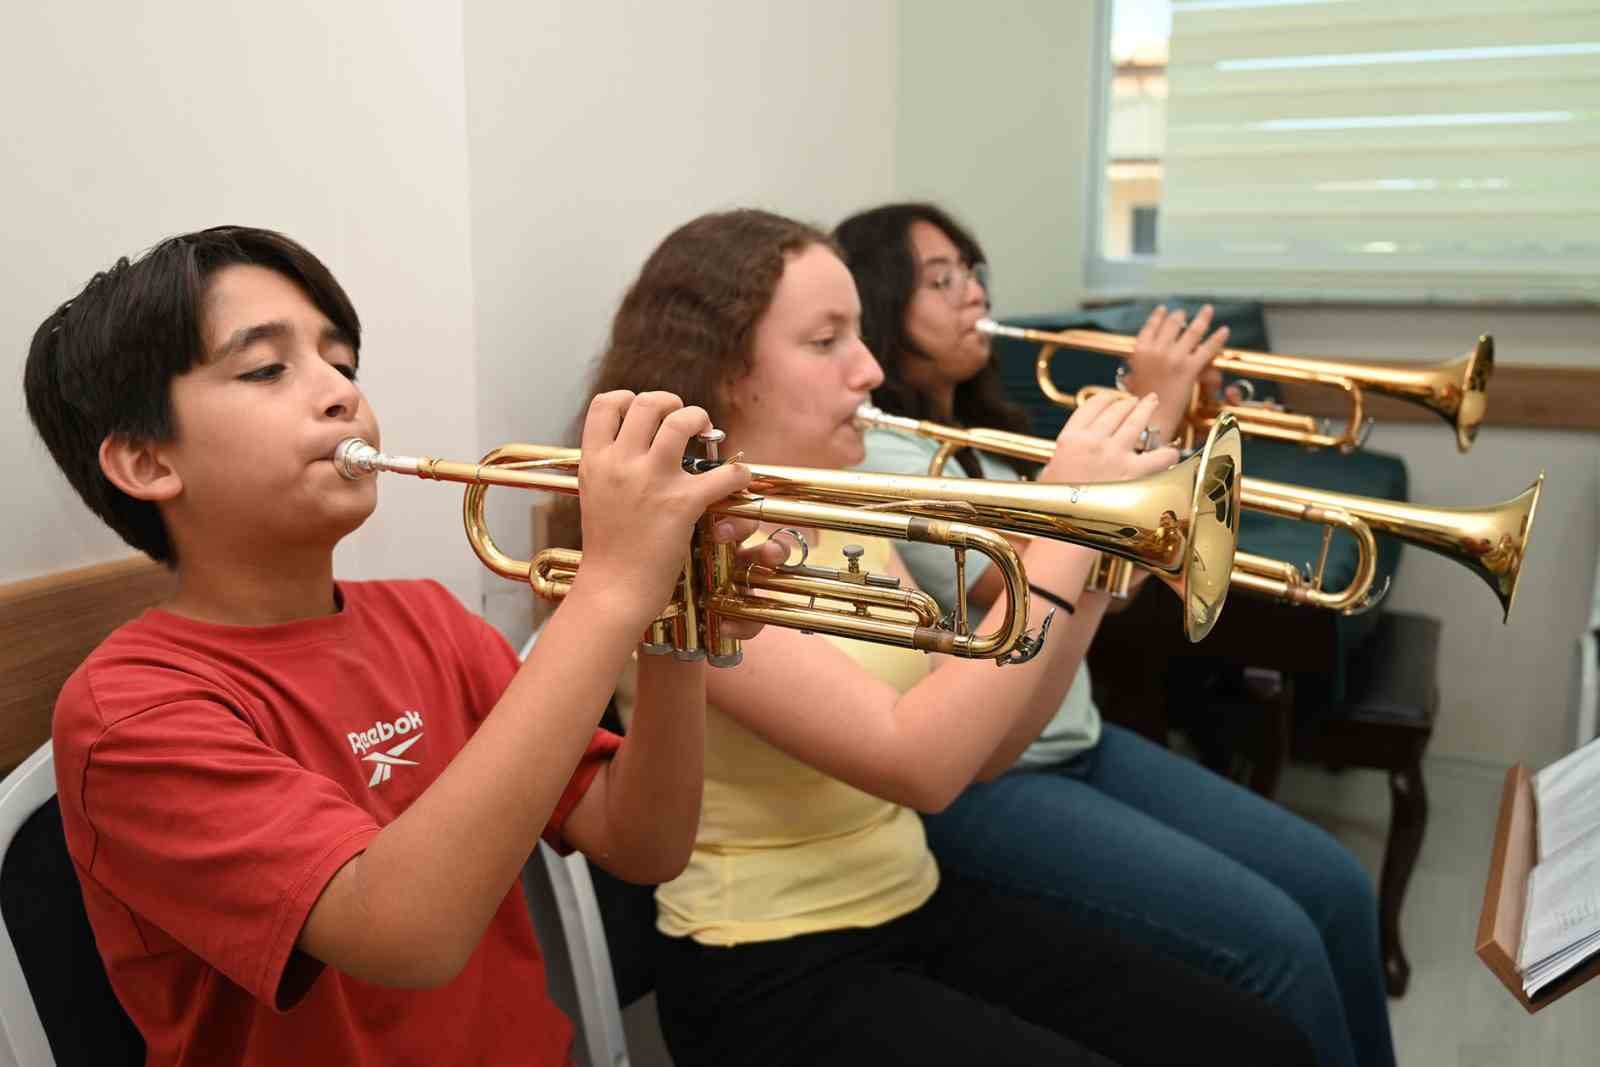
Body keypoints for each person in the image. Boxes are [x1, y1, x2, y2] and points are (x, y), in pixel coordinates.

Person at [571, 208, 1317, 1067]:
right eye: (827, 341)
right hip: (768, 967)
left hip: (907, 903)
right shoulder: (688, 550)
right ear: (727, 371)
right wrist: (1071, 525)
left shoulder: (834, 505)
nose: (872, 368)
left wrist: (1102, 558)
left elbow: (990, 750)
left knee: (1257, 1043)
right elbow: (920, 764)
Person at [21, 225, 779, 1066]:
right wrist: (610, 590)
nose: (342, 394)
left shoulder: (429, 617)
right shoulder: (127, 710)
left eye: (343, 363)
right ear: (146, 460)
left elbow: (646, 845)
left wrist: (673, 626)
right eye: (267, 368)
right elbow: (407, 933)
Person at [833, 201, 1397, 1067]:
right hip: (996, 777)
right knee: (1278, 943)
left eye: (973, 271)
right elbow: (1017, 588)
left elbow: (1116, 584)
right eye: (938, 281)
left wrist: (1185, 436)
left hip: (1077, 736)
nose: (971, 294)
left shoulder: (993, 435)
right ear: (876, 307)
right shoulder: (880, 453)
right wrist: (1152, 409)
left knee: (1337, 886)